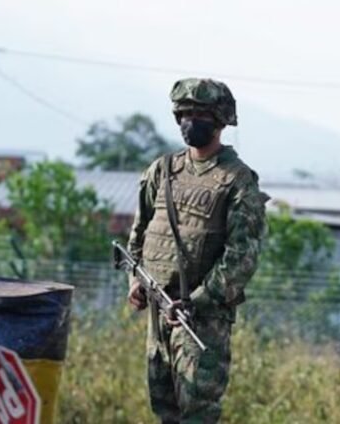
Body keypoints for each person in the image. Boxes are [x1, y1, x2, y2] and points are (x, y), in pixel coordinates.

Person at [126, 78, 268, 423]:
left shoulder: (237, 180)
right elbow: (140, 232)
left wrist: (197, 300)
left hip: (200, 319)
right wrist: (135, 280)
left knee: (197, 413)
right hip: (159, 311)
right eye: (185, 113)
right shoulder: (163, 170)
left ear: (219, 120)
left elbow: (241, 257)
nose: (191, 120)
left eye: (200, 113)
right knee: (165, 409)